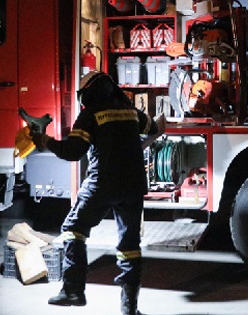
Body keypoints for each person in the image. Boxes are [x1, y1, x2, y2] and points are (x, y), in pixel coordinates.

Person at [31, 70, 163, 315]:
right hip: (133, 185)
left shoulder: (90, 114)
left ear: (88, 93)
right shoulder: (130, 111)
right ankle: (129, 309)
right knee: (130, 244)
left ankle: (73, 291)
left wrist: (45, 140)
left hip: (103, 183)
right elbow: (153, 126)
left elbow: (73, 152)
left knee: (73, 229)